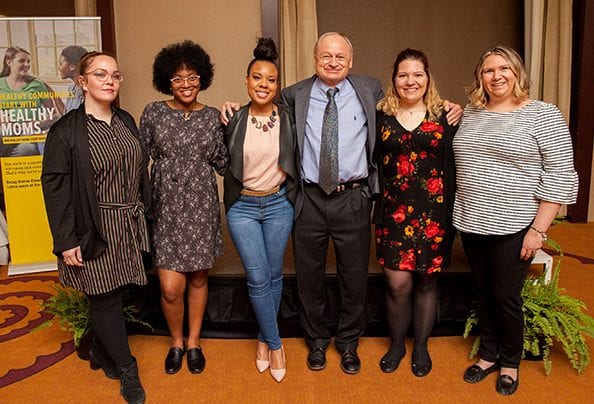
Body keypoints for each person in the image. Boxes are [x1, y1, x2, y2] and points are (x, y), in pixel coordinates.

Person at [223, 32, 461, 374]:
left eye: (340, 57)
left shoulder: (371, 91)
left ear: (351, 62)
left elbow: (413, 103)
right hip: (309, 197)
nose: (332, 62)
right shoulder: (294, 95)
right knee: (309, 276)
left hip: (353, 196)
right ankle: (316, 341)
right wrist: (233, 107)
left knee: (354, 277)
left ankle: (349, 342)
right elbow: (261, 106)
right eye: (325, 56)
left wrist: (451, 106)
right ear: (315, 59)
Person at [453, 45, 578, 395]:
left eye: (504, 68)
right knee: (483, 291)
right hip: (472, 220)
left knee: (507, 296)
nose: (497, 76)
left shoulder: (542, 114)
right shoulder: (473, 112)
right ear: (481, 77)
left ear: (517, 73)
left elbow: (561, 175)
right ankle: (488, 355)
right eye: (489, 70)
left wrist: (538, 230)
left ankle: (510, 362)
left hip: (515, 225)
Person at [41, 51, 149, 404]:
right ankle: (128, 370)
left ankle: (101, 352)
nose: (109, 81)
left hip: (129, 223)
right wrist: (66, 239)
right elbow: (55, 189)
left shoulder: (127, 120)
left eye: (116, 76)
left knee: (121, 292)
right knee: (103, 297)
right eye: (100, 75)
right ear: (82, 81)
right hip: (93, 227)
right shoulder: (66, 131)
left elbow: (138, 174)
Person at [139, 40, 228, 376]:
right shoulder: (153, 112)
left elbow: (224, 162)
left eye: (192, 77)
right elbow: (138, 160)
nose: (186, 84)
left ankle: (193, 342)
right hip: (166, 209)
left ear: (202, 77)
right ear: (167, 81)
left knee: (199, 278)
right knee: (170, 288)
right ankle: (175, 340)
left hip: (202, 208)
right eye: (178, 78)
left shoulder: (211, 117)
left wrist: (235, 123)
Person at [374, 48, 457, 377]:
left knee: (426, 285)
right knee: (397, 285)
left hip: (434, 215)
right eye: (403, 75)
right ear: (394, 79)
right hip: (393, 214)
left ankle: (420, 346)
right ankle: (397, 344)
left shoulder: (445, 116)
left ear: (427, 78)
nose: (411, 81)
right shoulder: (380, 116)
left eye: (417, 74)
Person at [222, 38, 297, 382]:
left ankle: (263, 339)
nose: (263, 84)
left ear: (277, 85)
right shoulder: (233, 118)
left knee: (274, 274)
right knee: (257, 275)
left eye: (270, 79)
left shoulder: (289, 119)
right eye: (257, 78)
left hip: (278, 203)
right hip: (244, 208)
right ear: (246, 81)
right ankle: (276, 342)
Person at [0, 46, 64, 156]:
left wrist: (37, 124)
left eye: (28, 61)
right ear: (9, 62)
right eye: (22, 61)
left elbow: (55, 116)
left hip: (28, 134)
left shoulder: (37, 84)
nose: (27, 65)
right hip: (5, 133)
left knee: (27, 150)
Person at [58, 45, 88, 112]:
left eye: (61, 64)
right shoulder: (71, 88)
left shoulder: (88, 91)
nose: (58, 68)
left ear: (72, 67)